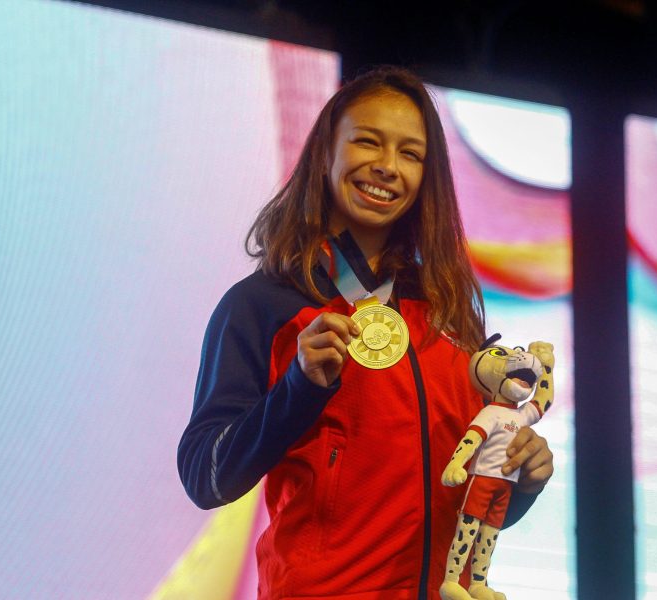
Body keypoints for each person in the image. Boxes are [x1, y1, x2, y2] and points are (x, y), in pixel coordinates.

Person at [177, 66, 553, 600]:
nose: (387, 167)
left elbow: (453, 491)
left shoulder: (448, 312)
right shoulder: (263, 305)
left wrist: (521, 478)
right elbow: (205, 476)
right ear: (326, 153)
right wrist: (298, 387)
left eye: (411, 154)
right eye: (367, 142)